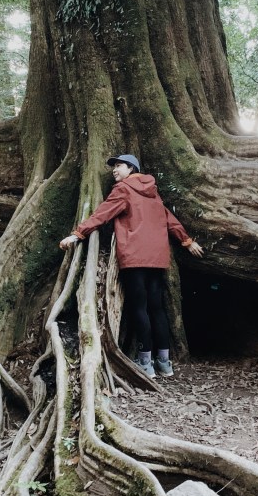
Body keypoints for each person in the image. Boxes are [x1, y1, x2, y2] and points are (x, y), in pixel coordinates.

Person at [59, 154, 203, 378]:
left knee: (139, 307)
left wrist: (77, 235)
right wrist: (187, 241)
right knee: (156, 308)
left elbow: (102, 214)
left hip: (134, 256)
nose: (114, 171)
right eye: (113, 167)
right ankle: (164, 363)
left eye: (118, 166)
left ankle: (145, 363)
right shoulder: (153, 192)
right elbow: (169, 219)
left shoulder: (124, 190)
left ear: (130, 168)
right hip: (156, 257)